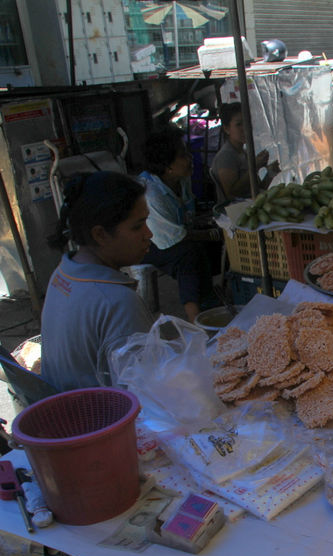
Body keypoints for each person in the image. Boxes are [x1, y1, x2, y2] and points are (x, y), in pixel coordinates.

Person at [41, 171, 155, 391]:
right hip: (95, 422)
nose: (148, 233)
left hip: (60, 409)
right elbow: (142, 397)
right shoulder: (118, 302)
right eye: (137, 226)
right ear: (100, 235)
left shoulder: (64, 272)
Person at [139, 127, 219, 323]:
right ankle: (195, 317)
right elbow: (176, 237)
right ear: (167, 166)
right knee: (188, 254)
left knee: (211, 247)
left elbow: (188, 217)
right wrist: (210, 234)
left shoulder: (181, 180)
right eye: (183, 155)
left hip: (172, 234)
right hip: (148, 243)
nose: (190, 158)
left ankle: (209, 300)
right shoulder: (152, 194)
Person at [210, 102, 280, 204]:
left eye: (247, 122)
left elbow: (257, 189)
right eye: (239, 124)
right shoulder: (226, 156)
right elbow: (232, 194)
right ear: (226, 129)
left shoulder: (244, 152)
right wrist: (254, 167)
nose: (245, 128)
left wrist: (270, 174)